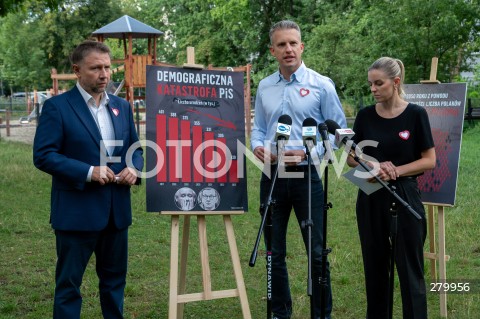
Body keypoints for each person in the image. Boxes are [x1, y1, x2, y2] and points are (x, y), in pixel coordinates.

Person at [33, 40, 144, 319]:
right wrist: (89, 171)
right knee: (69, 286)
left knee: (115, 283)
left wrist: (135, 168)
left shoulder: (122, 106)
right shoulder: (57, 107)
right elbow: (44, 155)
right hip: (76, 213)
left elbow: (136, 150)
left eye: (107, 67)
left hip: (116, 213)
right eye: (96, 68)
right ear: (77, 70)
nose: (104, 74)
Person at [251, 20, 347, 319]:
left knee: (316, 253)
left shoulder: (321, 84)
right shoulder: (265, 86)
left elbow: (337, 132)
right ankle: (279, 313)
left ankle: (322, 314)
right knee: (273, 253)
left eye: (293, 43)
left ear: (301, 46)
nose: (288, 49)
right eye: (282, 44)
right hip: (273, 175)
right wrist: (258, 147)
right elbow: (258, 129)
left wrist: (313, 152)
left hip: (307, 177)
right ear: (273, 51)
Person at [347, 57, 436, 318]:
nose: (373, 89)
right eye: (370, 84)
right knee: (374, 267)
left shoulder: (416, 114)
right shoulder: (364, 116)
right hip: (370, 195)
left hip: (405, 195)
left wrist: (395, 170)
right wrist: (370, 166)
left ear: (395, 82)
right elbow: (352, 156)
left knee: (410, 270)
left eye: (378, 83)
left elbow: (429, 159)